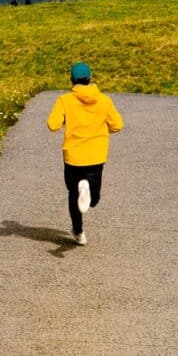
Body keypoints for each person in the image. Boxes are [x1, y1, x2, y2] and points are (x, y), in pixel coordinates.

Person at [46, 62, 124, 245]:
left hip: (73, 157)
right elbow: (117, 125)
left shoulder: (65, 100)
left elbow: (52, 125)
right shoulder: (104, 100)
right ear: (90, 79)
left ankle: (79, 232)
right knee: (93, 198)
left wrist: (66, 120)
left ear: (72, 80)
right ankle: (88, 192)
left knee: (73, 194)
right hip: (96, 155)